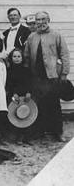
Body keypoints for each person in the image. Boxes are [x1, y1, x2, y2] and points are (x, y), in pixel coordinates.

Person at [24, 11, 70, 142]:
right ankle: (40, 133)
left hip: (52, 77)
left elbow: (64, 54)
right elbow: (26, 56)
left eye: (43, 19)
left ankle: (57, 132)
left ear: (48, 19)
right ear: (35, 22)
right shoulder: (32, 37)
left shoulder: (56, 35)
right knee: (38, 105)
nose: (41, 22)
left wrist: (64, 74)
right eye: (38, 20)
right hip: (36, 78)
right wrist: (27, 75)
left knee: (54, 104)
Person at [6, 48, 33, 145]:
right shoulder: (8, 71)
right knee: (15, 114)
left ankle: (26, 136)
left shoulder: (27, 70)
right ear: (11, 58)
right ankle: (17, 136)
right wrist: (14, 94)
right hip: (14, 96)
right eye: (14, 56)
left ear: (22, 58)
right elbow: (8, 84)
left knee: (26, 114)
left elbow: (30, 83)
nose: (16, 58)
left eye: (18, 56)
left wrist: (29, 92)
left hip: (25, 96)